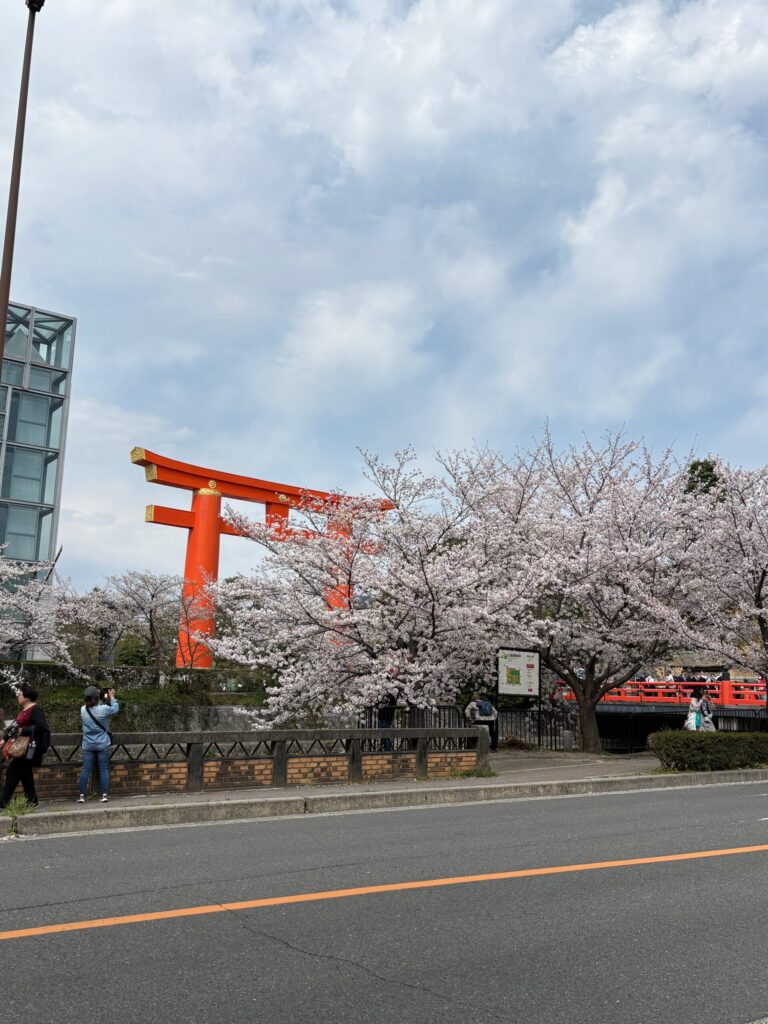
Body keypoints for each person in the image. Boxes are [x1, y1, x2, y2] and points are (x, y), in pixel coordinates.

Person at [0, 683, 50, 809]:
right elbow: (14, 727)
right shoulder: (23, 711)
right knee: (25, 775)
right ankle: (32, 801)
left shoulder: (35, 710)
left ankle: (3, 803)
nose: (18, 696)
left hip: (28, 748)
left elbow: (41, 727)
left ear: (27, 697)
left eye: (20, 694)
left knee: (12, 773)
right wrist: (4, 740)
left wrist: (23, 730)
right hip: (23, 748)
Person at [78, 685, 119, 803]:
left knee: (86, 769)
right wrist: (112, 697)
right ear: (96, 697)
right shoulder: (104, 709)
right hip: (103, 744)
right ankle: (104, 795)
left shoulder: (83, 710)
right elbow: (115, 709)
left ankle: (81, 795)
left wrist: (99, 698)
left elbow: (94, 706)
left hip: (88, 744)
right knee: (103, 769)